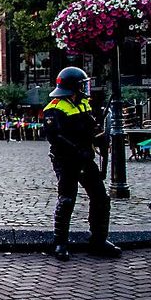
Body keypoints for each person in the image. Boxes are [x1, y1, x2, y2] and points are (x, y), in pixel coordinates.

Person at [43, 66, 122, 262]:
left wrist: (100, 138)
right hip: (66, 161)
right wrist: (78, 150)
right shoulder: (54, 108)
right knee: (67, 199)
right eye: (82, 86)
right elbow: (56, 137)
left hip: (86, 159)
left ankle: (98, 240)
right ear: (73, 88)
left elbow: (91, 126)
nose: (85, 89)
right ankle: (60, 243)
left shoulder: (83, 105)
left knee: (100, 198)